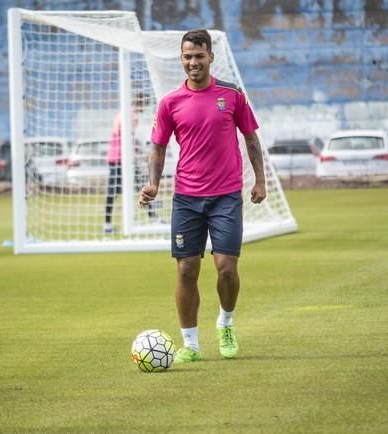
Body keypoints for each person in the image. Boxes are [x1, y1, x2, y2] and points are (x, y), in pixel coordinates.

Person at [139, 29, 267, 362]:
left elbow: (251, 140)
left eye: (198, 56)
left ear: (211, 56)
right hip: (186, 198)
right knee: (186, 270)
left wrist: (260, 181)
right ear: (181, 59)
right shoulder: (170, 102)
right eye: (187, 57)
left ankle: (225, 323)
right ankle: (190, 345)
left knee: (226, 268)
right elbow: (157, 149)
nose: (193, 62)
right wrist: (153, 184)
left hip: (226, 196)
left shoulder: (232, 94)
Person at [104, 94, 156, 234]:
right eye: (145, 104)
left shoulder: (124, 114)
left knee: (132, 188)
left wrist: (137, 149)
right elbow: (125, 137)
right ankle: (108, 224)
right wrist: (140, 149)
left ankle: (108, 224)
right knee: (135, 188)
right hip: (120, 158)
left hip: (118, 157)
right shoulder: (131, 116)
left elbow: (125, 136)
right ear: (141, 103)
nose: (145, 108)